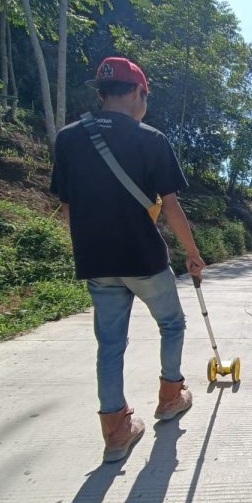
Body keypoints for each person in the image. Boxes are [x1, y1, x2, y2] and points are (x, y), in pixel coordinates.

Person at [50, 56, 205, 463]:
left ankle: (116, 431)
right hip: (144, 258)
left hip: (97, 261)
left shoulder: (67, 138)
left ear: (101, 93)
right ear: (138, 92)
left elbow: (68, 209)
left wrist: (89, 246)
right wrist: (192, 253)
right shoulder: (150, 139)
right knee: (171, 323)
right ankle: (171, 397)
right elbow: (170, 207)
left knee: (110, 344)